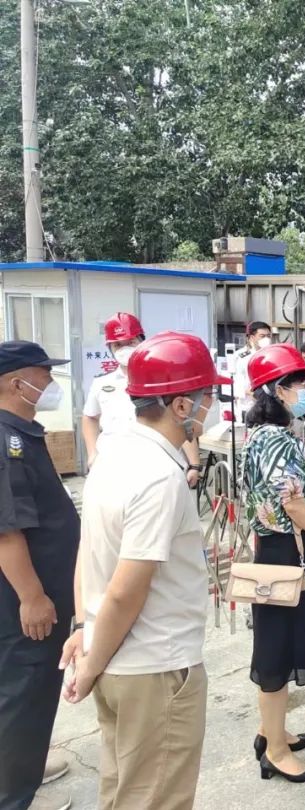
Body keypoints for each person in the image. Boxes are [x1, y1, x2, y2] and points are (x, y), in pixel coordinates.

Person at [62, 332, 228, 808]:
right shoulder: (159, 476)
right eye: (207, 397)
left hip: (114, 654)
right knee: (155, 798)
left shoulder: (112, 454)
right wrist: (89, 667)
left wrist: (84, 628)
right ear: (181, 406)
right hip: (154, 667)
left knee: (123, 792)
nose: (211, 407)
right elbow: (125, 590)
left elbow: (88, 550)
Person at [241, 343, 305, 783]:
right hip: (286, 550)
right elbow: (292, 502)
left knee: (277, 643)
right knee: (276, 651)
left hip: (279, 546)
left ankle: (272, 731)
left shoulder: (260, 436)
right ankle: (275, 753)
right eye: (298, 383)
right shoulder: (276, 440)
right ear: (277, 390)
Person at [0, 342, 78, 810]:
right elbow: (7, 531)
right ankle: (13, 795)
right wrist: (32, 597)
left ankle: (22, 766)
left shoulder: (21, 432)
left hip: (42, 593)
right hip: (27, 603)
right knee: (24, 695)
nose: (50, 384)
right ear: (17, 383)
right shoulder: (5, 439)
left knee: (24, 698)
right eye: (44, 375)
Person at [82, 312, 202, 485]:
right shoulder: (101, 383)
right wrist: (92, 453)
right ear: (110, 349)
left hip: (156, 465)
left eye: (130, 342)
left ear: (142, 342)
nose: (124, 349)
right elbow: (90, 417)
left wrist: (194, 464)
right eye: (117, 345)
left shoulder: (161, 380)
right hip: (112, 465)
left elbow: (180, 419)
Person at [233, 321, 273, 420]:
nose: (266, 339)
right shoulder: (241, 357)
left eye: (268, 336)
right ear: (251, 337)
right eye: (262, 336)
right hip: (248, 405)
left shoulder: (272, 354)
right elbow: (233, 381)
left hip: (268, 405)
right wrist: (247, 392)